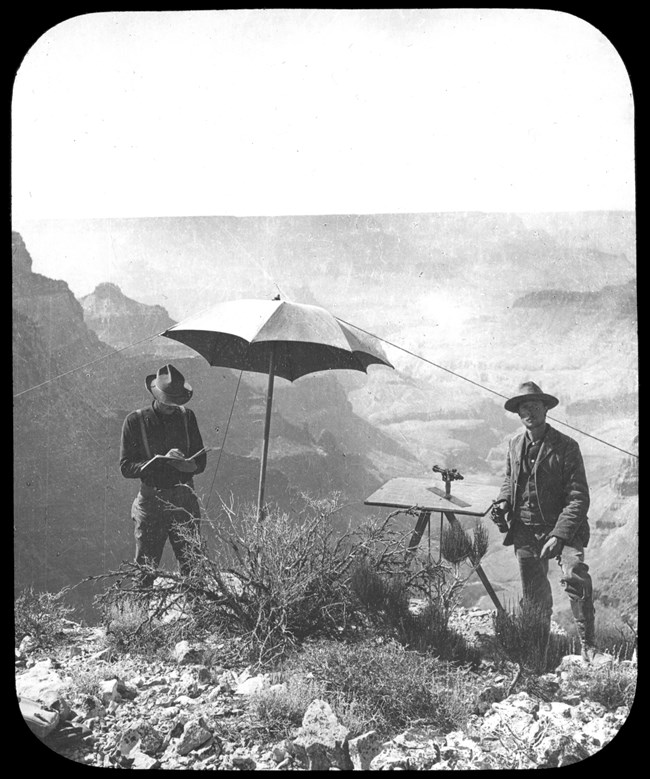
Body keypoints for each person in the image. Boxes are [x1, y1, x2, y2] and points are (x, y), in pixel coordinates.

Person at [491, 381, 606, 665]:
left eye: (534, 406)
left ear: (545, 409)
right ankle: (537, 654)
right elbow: (510, 480)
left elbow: (578, 497)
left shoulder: (567, 446)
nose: (528, 412)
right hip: (526, 531)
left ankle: (589, 647)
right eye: (523, 408)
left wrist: (559, 535)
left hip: (565, 531)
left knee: (575, 574)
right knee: (534, 595)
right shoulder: (514, 444)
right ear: (518, 414)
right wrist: (503, 501)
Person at [120, 364, 208, 590]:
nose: (173, 406)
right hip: (152, 502)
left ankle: (200, 618)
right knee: (145, 568)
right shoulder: (135, 421)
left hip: (184, 500)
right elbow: (126, 467)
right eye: (168, 400)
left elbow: (201, 462)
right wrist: (158, 462)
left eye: (176, 401)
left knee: (192, 564)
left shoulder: (188, 417)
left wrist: (189, 466)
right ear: (156, 395)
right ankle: (136, 620)